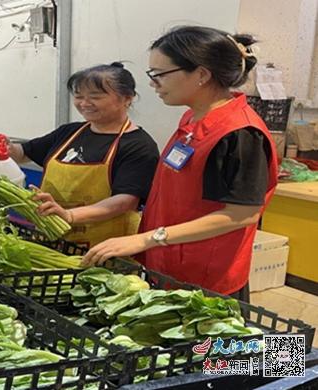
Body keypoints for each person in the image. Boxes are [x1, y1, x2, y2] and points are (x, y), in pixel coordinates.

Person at [82, 26, 279, 300]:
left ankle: (286, 347)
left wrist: (146, 238)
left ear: (201, 74)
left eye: (159, 75)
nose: (153, 84)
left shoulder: (240, 133)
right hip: (169, 264)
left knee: (219, 344)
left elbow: (241, 214)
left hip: (206, 277)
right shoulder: (191, 119)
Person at [4, 62, 160, 248]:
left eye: (95, 97)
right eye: (78, 96)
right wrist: (6, 148)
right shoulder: (69, 132)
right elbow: (23, 153)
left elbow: (125, 201)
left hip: (105, 247)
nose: (84, 104)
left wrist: (69, 215)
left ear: (127, 98)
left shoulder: (138, 145)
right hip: (52, 239)